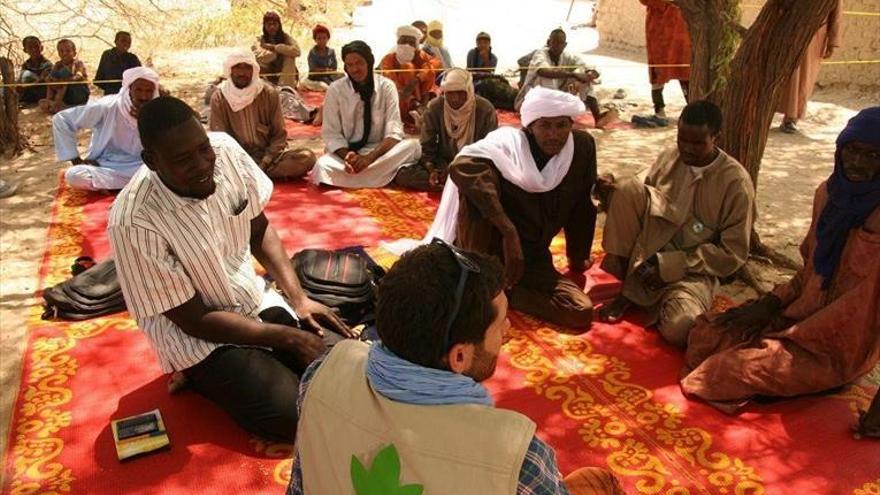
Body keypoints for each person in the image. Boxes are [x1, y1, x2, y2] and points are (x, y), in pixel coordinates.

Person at [286, 242, 626, 495]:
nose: (508, 330)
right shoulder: (515, 455)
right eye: (500, 326)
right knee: (600, 482)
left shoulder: (323, 373)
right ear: (459, 357)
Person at [108, 96, 354, 442]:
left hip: (254, 300)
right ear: (151, 161)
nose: (203, 163)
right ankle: (196, 375)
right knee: (290, 416)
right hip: (199, 336)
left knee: (346, 370)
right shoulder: (132, 221)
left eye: (203, 149)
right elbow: (194, 319)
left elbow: (259, 229)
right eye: (183, 159)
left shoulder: (225, 151)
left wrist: (299, 299)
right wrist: (288, 337)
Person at [680, 107, 880, 413]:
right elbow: (809, 272)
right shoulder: (827, 195)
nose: (858, 163)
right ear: (840, 150)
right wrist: (770, 304)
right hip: (798, 315)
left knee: (722, 373)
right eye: (852, 151)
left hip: (838, 345)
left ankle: (816, 377)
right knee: (705, 334)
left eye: (873, 156)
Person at [407, 87, 597, 329]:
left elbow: (582, 205)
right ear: (530, 127)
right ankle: (482, 280)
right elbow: (462, 166)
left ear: (571, 124)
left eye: (561, 125)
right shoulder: (508, 144)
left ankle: (507, 295)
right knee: (475, 195)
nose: (554, 135)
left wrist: (578, 256)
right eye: (545, 126)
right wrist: (509, 232)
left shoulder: (580, 148)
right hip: (492, 251)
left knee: (580, 312)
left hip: (534, 256)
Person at [595, 100, 754, 347]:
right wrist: (610, 186)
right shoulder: (671, 156)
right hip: (647, 255)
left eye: (697, 143)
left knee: (682, 328)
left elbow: (733, 253)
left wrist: (670, 267)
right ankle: (630, 289)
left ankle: (651, 297)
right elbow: (641, 189)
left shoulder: (736, 184)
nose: (687, 149)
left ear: (716, 138)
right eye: (683, 140)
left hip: (693, 271)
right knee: (625, 189)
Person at [314, 41, 421, 189]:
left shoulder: (386, 87)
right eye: (349, 65)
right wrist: (348, 157)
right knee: (322, 166)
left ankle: (362, 177)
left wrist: (369, 159)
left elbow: (394, 131)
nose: (354, 69)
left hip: (380, 153)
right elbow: (331, 134)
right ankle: (385, 176)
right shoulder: (336, 89)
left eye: (359, 63)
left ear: (369, 62)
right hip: (347, 154)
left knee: (413, 146)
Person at [209, 50, 316, 181]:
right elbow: (220, 140)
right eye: (237, 67)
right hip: (236, 160)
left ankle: (250, 177)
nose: (242, 73)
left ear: (254, 70)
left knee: (307, 157)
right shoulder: (219, 98)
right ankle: (253, 176)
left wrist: (265, 162)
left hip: (268, 158)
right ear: (230, 70)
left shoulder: (268, 93)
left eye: (247, 67)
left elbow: (279, 136)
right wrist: (240, 161)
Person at [52, 67, 160, 191]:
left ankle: (124, 186)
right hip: (108, 164)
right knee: (74, 176)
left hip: (143, 166)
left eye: (148, 91)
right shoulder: (107, 106)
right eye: (138, 90)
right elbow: (62, 120)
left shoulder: (158, 110)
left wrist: (146, 119)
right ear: (129, 89)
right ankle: (135, 185)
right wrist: (76, 160)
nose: (144, 96)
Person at [395, 68, 497, 192]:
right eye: (450, 93)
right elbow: (427, 147)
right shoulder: (435, 107)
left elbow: (490, 151)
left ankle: (454, 185)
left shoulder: (485, 109)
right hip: (443, 164)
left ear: (469, 91)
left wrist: (459, 167)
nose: (454, 98)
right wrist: (432, 170)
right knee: (402, 176)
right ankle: (457, 186)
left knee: (493, 178)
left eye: (460, 92)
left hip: (474, 165)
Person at [515, 29, 615, 129]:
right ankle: (554, 112)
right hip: (530, 101)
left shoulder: (567, 57)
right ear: (549, 42)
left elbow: (590, 67)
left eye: (560, 43)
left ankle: (597, 117)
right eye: (554, 42)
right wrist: (573, 75)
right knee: (547, 77)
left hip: (555, 98)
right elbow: (544, 72)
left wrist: (589, 74)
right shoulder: (540, 54)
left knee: (583, 76)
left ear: (565, 45)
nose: (557, 46)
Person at [777, 1, 841, 133]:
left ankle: (791, 117)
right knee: (784, 74)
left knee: (803, 77)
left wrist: (832, 42)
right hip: (790, 31)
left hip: (814, 36)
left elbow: (836, 13)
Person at [379, 25, 440, 127]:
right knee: (407, 68)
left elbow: (435, 64)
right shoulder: (389, 58)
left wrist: (417, 79)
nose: (406, 45)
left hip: (421, 95)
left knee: (429, 70)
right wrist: (410, 97)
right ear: (398, 42)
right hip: (398, 95)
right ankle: (416, 108)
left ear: (416, 44)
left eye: (410, 42)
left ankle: (421, 108)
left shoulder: (421, 55)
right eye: (403, 41)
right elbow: (391, 80)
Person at [640, 0, 690, 119]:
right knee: (659, 71)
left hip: (680, 29)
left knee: (685, 70)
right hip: (659, 30)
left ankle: (692, 107)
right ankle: (659, 108)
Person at [39, 39, 89, 114]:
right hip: (67, 95)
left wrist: (61, 81)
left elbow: (78, 76)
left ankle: (56, 104)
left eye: (68, 51)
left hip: (79, 94)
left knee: (64, 73)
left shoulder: (78, 63)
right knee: (53, 76)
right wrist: (50, 80)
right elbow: (50, 77)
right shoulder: (58, 64)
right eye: (61, 51)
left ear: (74, 53)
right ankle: (49, 100)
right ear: (58, 53)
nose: (64, 53)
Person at [253, 11, 300, 88]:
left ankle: (285, 89)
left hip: (284, 75)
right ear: (264, 26)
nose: (272, 27)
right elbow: (257, 55)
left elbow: (297, 51)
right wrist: (274, 54)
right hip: (267, 75)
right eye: (269, 24)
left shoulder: (286, 37)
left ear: (279, 25)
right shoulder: (259, 39)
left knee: (290, 57)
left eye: (274, 24)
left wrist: (275, 47)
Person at [304, 24, 341, 90]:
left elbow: (334, 67)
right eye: (319, 38)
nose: (322, 41)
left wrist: (329, 71)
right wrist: (326, 70)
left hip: (330, 75)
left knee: (342, 77)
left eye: (324, 38)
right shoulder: (312, 52)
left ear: (328, 39)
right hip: (316, 77)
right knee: (327, 84)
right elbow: (313, 69)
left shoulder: (331, 52)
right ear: (315, 40)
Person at [17, 36, 52, 105]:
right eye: (30, 47)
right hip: (31, 91)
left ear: (41, 48)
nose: (34, 50)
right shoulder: (26, 64)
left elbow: (41, 81)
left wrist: (24, 86)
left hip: (43, 92)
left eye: (36, 46)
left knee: (25, 74)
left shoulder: (47, 64)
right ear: (25, 50)